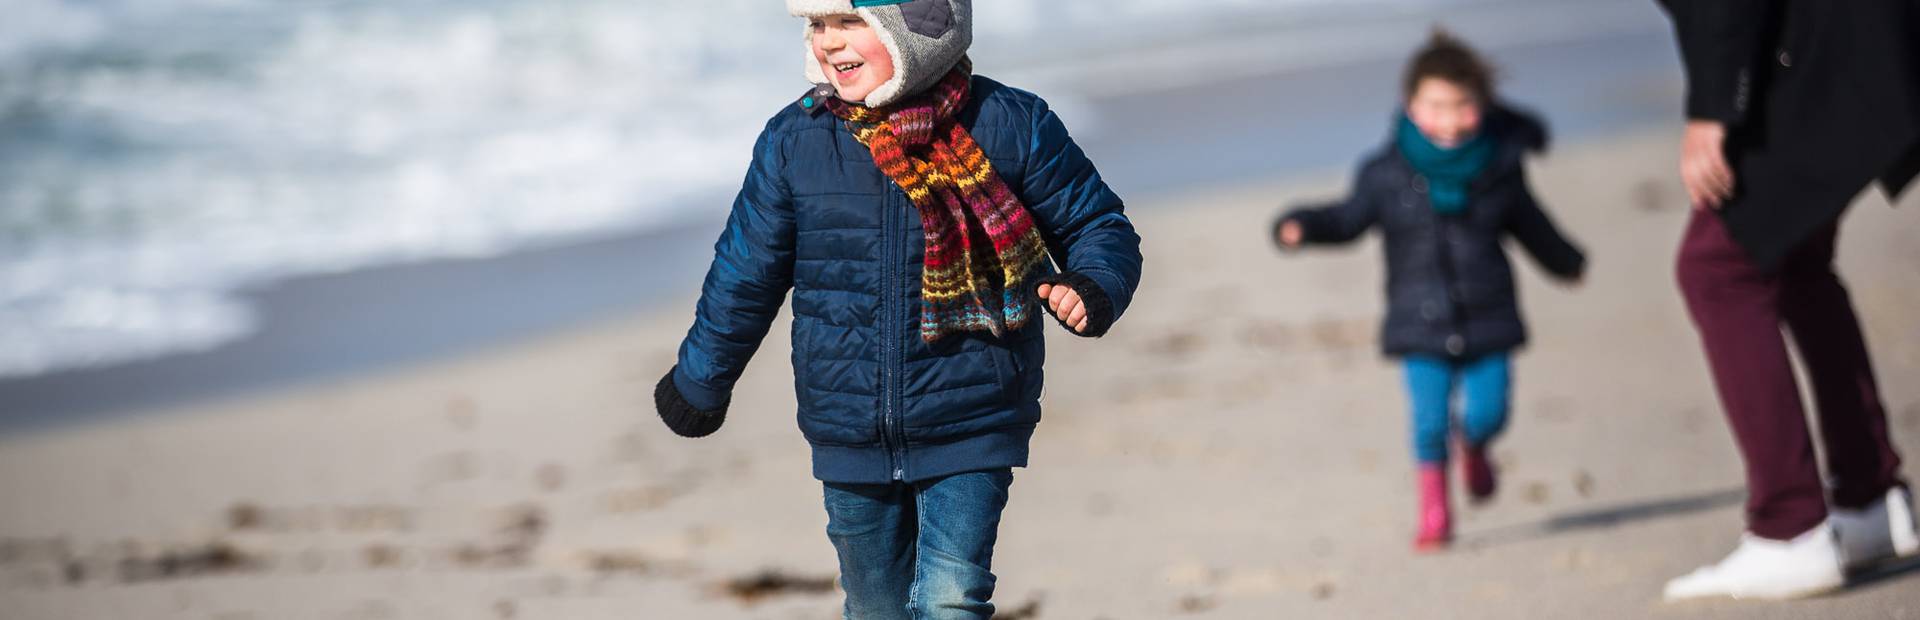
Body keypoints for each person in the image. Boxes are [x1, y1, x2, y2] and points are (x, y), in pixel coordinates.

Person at [652, 1, 1143, 617]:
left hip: (975, 412)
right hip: (847, 422)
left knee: (950, 598)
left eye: (851, 22)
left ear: (923, 29)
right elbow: (743, 275)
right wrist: (701, 380)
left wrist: (1093, 284)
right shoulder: (796, 141)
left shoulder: (1010, 123)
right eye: (816, 25)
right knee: (875, 605)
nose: (829, 41)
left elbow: (1097, 224)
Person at [1272, 31, 1586, 552]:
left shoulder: (1500, 169)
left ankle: (1477, 447)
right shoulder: (1384, 173)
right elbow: (1347, 219)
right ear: (1410, 106)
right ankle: (1435, 514)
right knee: (1428, 422)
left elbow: (1533, 226)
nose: (1448, 118)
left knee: (1487, 414)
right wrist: (1302, 225)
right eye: (1435, 106)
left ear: (1482, 107)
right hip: (1418, 320)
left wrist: (1566, 263)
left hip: (1489, 316)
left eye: (1462, 106)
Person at [1658, 0, 1920, 601]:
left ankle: (1790, 527)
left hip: (1829, 47)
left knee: (1716, 269)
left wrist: (1712, 108)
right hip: (1852, 41)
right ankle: (1870, 499)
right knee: (1795, 259)